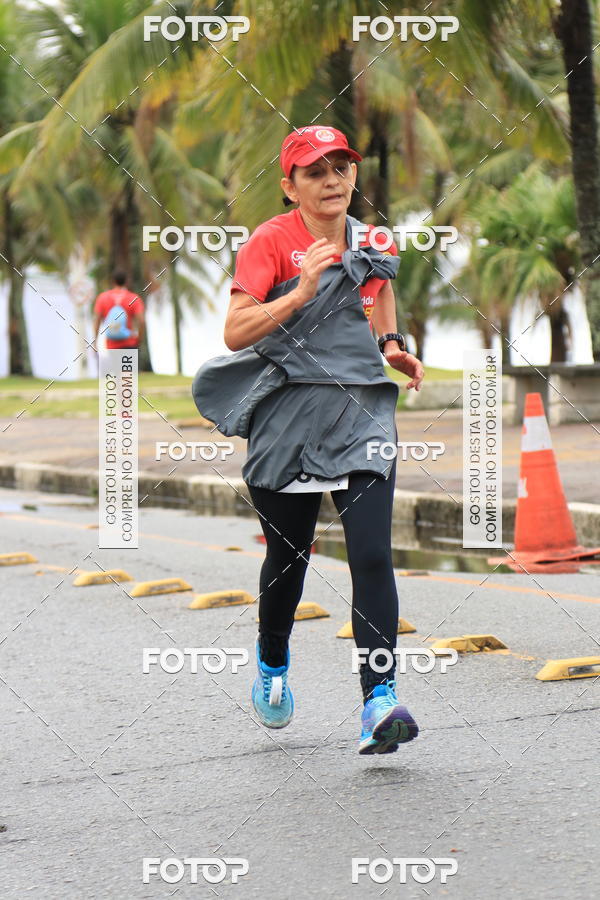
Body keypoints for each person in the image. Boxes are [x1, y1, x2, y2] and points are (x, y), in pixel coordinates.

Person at [201, 125, 425, 754]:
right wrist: (300, 290)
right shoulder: (271, 242)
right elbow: (235, 331)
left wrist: (392, 347)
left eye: (341, 168)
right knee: (289, 562)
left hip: (360, 413)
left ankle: (378, 701)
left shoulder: (374, 239)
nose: (332, 180)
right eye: (315, 171)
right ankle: (273, 662)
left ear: (354, 175)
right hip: (288, 418)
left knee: (373, 557)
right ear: (289, 186)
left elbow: (379, 294)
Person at [93, 270, 145, 351]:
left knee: (115, 364)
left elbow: (97, 320)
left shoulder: (102, 298)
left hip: (111, 346)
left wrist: (95, 342)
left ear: (113, 281)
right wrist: (139, 339)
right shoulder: (133, 298)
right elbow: (141, 321)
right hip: (130, 344)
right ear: (126, 281)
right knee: (127, 363)